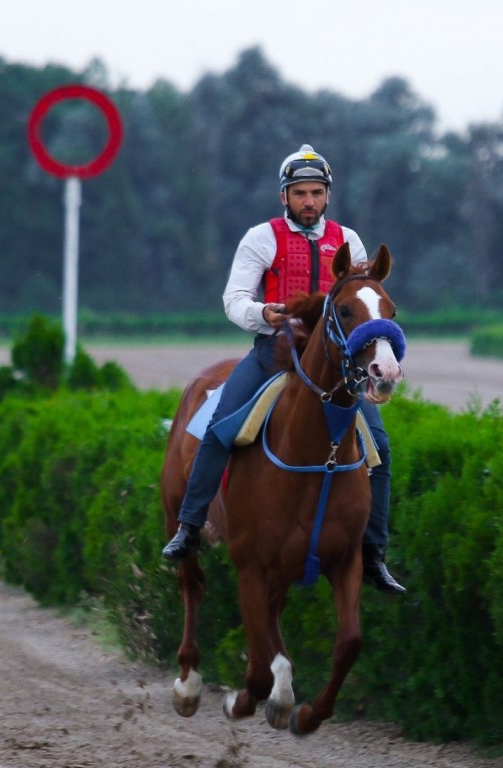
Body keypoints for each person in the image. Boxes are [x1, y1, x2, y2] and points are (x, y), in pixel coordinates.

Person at [162, 144, 405, 594]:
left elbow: (364, 298)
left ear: (327, 195)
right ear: (284, 197)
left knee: (381, 448)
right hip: (275, 351)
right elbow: (233, 300)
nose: (309, 201)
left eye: (316, 192)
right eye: (300, 193)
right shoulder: (261, 238)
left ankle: (373, 553)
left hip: (334, 363)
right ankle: (190, 525)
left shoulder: (348, 240)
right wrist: (265, 313)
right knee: (219, 427)